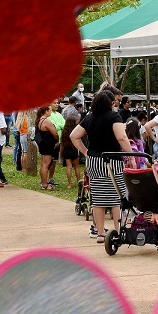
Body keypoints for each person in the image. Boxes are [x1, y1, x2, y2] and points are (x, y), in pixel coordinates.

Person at [71, 89, 132, 242]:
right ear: (111, 103)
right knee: (117, 197)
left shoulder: (89, 117)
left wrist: (86, 152)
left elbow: (74, 136)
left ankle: (100, 233)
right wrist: (131, 155)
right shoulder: (114, 116)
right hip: (112, 160)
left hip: (94, 161)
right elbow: (121, 137)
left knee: (98, 198)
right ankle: (118, 231)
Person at [35, 106, 58, 190]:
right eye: (50, 110)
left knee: (43, 164)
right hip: (47, 144)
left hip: (42, 144)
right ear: (46, 111)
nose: (51, 112)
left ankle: (43, 182)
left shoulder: (39, 120)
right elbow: (55, 133)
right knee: (46, 164)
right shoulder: (46, 121)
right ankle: (45, 184)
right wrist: (57, 140)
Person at [61, 116, 81, 188]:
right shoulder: (75, 130)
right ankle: (79, 182)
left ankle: (69, 184)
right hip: (74, 149)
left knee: (69, 167)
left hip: (66, 150)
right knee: (76, 167)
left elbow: (62, 143)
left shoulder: (64, 131)